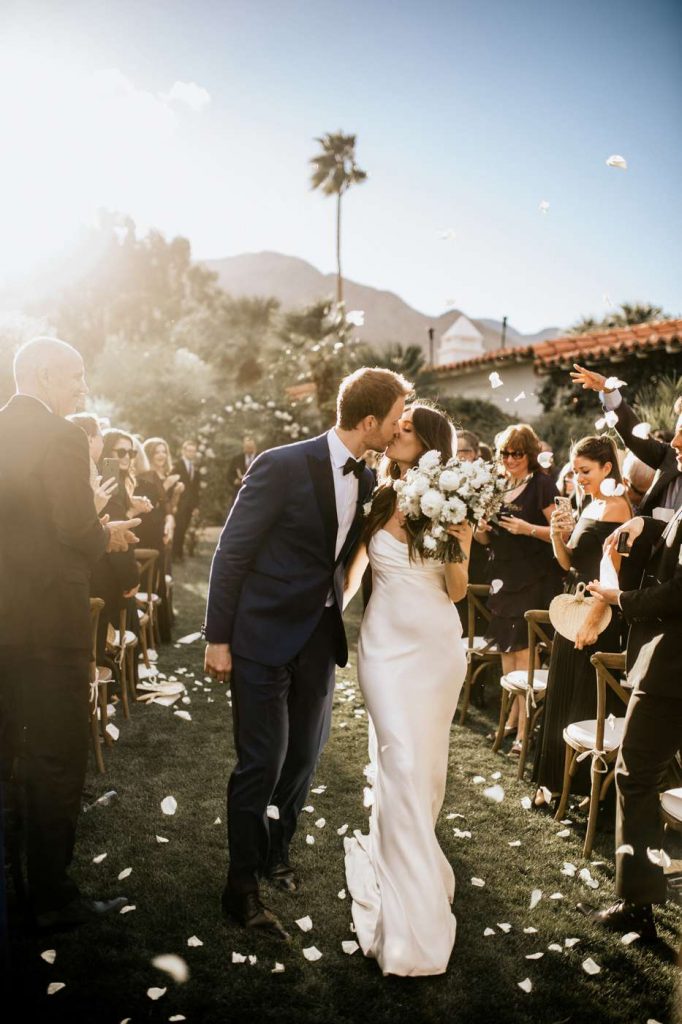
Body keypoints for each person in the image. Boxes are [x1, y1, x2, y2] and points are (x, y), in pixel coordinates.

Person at [203, 367, 412, 941]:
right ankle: (239, 886)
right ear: (369, 421)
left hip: (319, 639)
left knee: (303, 758)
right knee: (262, 761)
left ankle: (277, 851)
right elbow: (231, 551)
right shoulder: (280, 464)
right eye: (394, 419)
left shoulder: (372, 482)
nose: (398, 430)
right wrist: (217, 637)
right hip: (260, 637)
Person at [0, 337, 139, 930]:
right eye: (73, 376)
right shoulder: (59, 436)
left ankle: (11, 888)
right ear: (39, 374)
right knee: (58, 757)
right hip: (50, 624)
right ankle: (52, 896)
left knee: (6, 755)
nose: (81, 387)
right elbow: (74, 527)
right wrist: (106, 535)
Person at [343, 404, 471, 977]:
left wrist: (458, 534)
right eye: (397, 427)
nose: (396, 433)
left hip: (436, 647)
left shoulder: (451, 499)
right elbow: (355, 568)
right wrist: (320, 616)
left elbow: (458, 591)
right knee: (396, 757)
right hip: (384, 647)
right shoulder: (379, 493)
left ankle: (419, 862)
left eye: (407, 430)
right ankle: (408, 901)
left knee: (424, 768)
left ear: (428, 443)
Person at [579, 409, 682, 940]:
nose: (677, 437)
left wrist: (621, 598)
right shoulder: (673, 495)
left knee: (636, 773)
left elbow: (677, 593)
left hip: (672, 665)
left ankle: (638, 906)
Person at [531, 436, 630, 806]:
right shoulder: (586, 505)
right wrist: (558, 536)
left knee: (587, 699)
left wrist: (592, 621)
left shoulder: (620, 509)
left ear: (607, 468)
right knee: (562, 693)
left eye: (585, 471)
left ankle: (587, 791)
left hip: (598, 612)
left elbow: (613, 575)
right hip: (572, 607)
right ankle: (554, 783)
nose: (579, 478)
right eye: (575, 471)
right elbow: (567, 562)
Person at [475, 424, 562, 755]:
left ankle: (525, 732)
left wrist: (528, 529)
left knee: (525, 654)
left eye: (517, 453)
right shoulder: (498, 485)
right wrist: (481, 528)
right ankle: (510, 721)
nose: (510, 459)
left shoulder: (541, 485)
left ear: (530, 455)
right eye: (504, 453)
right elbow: (486, 541)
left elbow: (560, 533)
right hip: (502, 576)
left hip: (533, 577)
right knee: (507, 653)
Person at [570, 364, 682, 515]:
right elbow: (633, 436)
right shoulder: (670, 456)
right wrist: (608, 389)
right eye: (676, 433)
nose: (675, 442)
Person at [137, 436, 183, 642]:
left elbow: (167, 507)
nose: (161, 456)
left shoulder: (162, 475)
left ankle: (163, 625)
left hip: (162, 530)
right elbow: (151, 507)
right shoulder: (147, 476)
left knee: (160, 580)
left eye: (164, 451)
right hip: (149, 533)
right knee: (152, 581)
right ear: (148, 454)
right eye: (157, 452)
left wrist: (170, 519)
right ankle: (153, 629)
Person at [172, 440, 201, 561]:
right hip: (179, 503)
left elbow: (195, 489)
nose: (191, 453)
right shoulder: (177, 465)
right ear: (184, 451)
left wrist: (195, 506)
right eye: (189, 450)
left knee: (183, 528)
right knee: (178, 527)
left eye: (193, 451)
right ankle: (174, 555)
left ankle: (179, 554)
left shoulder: (195, 468)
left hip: (189, 505)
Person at [227, 435, 258, 506]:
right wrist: (235, 481)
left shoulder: (261, 458)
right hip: (240, 495)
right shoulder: (236, 459)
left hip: (257, 494)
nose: (248, 448)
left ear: (255, 446)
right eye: (246, 446)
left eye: (250, 447)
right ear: (243, 446)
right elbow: (229, 475)